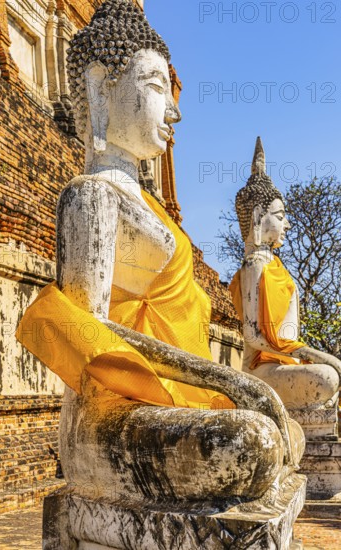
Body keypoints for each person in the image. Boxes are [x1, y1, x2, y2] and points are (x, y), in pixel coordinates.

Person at [16, 1, 304, 511]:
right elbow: (89, 337)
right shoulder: (92, 196)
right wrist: (223, 376)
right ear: (100, 87)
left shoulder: (147, 204)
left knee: (281, 436)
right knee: (254, 443)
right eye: (155, 87)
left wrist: (229, 383)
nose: (174, 111)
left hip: (159, 398)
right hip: (106, 415)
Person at [230, 137, 341, 433]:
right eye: (280, 216)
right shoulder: (254, 266)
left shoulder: (275, 266)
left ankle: (326, 412)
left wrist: (305, 354)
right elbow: (253, 337)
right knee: (327, 376)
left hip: (285, 364)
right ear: (256, 217)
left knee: (329, 375)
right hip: (261, 370)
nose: (287, 224)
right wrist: (310, 353)